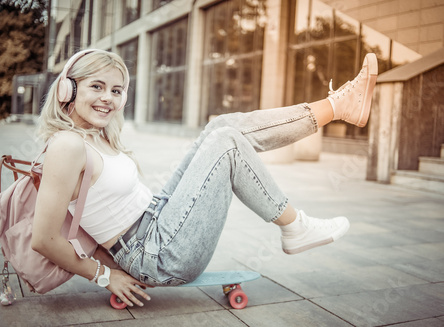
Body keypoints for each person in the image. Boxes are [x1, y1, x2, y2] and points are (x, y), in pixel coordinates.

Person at [31, 48, 378, 307]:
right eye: (97, 86)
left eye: (117, 90)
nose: (108, 98)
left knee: (219, 127)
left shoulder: (94, 135)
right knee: (225, 143)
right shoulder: (66, 146)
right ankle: (295, 226)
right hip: (157, 255)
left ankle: (337, 106)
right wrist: (105, 277)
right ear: (68, 90)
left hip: (156, 218)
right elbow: (44, 238)